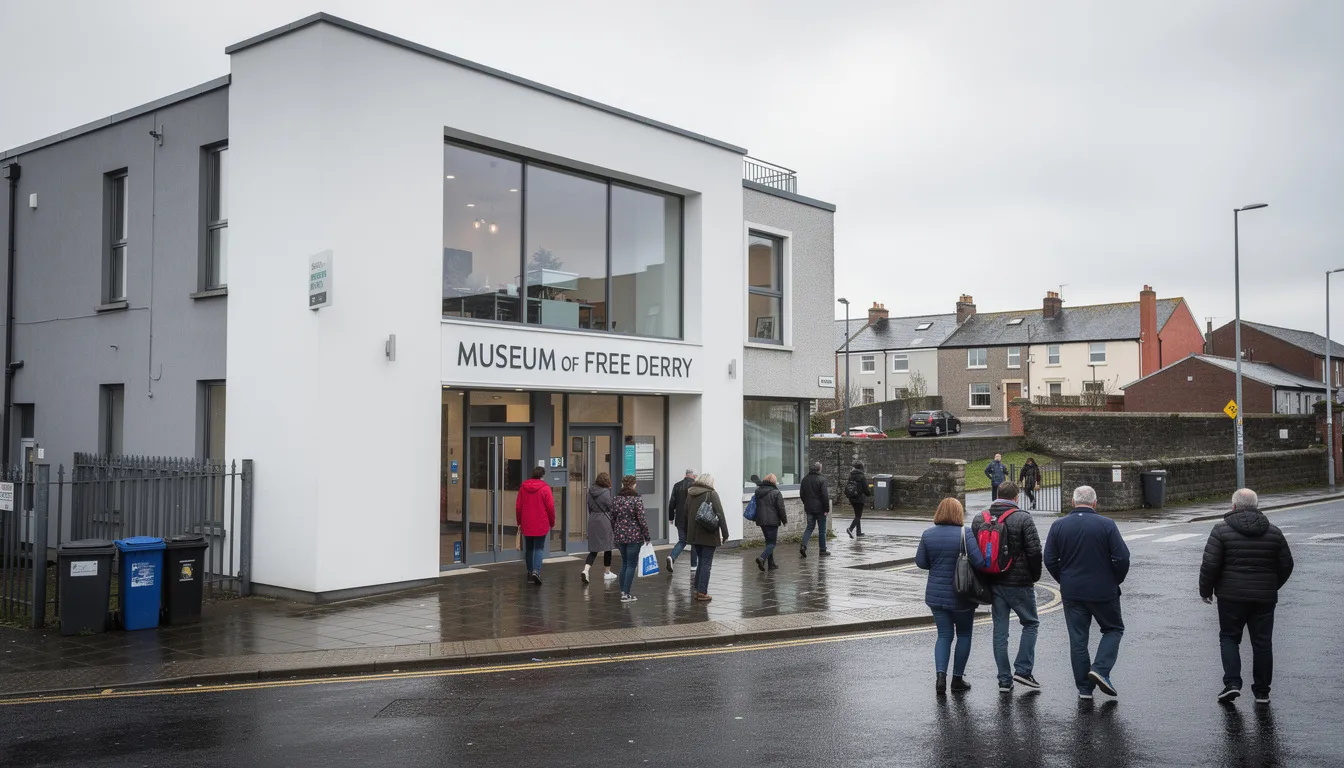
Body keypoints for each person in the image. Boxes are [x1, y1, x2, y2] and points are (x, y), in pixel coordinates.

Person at [1199, 488, 1294, 705]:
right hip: (1264, 598)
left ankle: (1232, 683)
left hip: (1230, 597)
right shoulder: (1274, 532)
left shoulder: (1221, 531)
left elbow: (1210, 565)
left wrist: (1206, 591)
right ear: (1256, 506)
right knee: (1262, 643)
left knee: (1229, 637)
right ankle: (1262, 692)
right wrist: (1271, 586)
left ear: (1233, 506)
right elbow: (1287, 565)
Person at [1044, 485, 1130, 700]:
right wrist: (1115, 579)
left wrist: (1063, 579)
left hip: (1072, 591)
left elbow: (1049, 560)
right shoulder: (1106, 525)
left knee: (1078, 640)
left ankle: (1084, 689)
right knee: (1113, 629)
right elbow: (1122, 558)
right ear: (1095, 503)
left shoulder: (1058, 525)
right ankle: (1100, 669)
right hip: (1103, 589)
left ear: (1073, 502)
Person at [971, 481, 1042, 693]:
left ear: (997, 494)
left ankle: (1004, 680)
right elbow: (1035, 551)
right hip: (1019, 583)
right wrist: (1034, 576)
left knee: (1000, 631)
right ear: (1016, 497)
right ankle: (1023, 670)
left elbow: (974, 552)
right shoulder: (1023, 517)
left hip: (993, 583)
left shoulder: (980, 518)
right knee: (1030, 623)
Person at [915, 497, 984, 694]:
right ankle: (957, 680)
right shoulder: (966, 533)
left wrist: (936, 565)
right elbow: (979, 562)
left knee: (944, 636)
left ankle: (940, 679)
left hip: (936, 596)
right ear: (958, 513)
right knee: (964, 635)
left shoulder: (928, 534)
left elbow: (920, 562)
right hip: (962, 595)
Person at [683, 472, 729, 602]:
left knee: (701, 562)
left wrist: (688, 533)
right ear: (709, 482)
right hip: (708, 534)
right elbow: (720, 514)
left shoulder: (690, 494)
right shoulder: (711, 494)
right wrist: (725, 534)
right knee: (706, 563)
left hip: (694, 535)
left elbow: (686, 514)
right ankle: (702, 592)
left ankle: (698, 590)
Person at [610, 475, 651, 603]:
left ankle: (623, 591)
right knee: (631, 564)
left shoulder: (616, 499)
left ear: (623, 485)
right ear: (633, 485)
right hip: (634, 536)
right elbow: (642, 520)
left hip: (620, 536)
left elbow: (612, 518)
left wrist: (616, 531)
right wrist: (647, 536)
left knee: (625, 563)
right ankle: (626, 594)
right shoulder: (636, 500)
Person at [516, 466, 556, 585]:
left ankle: (529, 573)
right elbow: (550, 507)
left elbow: (518, 506)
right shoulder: (545, 488)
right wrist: (552, 522)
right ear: (542, 476)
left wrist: (519, 522)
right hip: (541, 523)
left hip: (527, 522)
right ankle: (536, 572)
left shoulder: (523, 487)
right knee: (539, 548)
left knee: (529, 548)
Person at [582, 472, 616, 585]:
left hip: (593, 520)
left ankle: (585, 570)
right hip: (604, 521)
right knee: (608, 547)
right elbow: (610, 507)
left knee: (594, 549)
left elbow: (589, 507)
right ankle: (607, 572)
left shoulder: (590, 491)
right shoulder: (606, 492)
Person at [752, 473, 788, 572]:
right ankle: (762, 558)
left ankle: (771, 564)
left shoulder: (758, 491)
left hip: (762, 520)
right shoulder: (776, 492)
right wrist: (784, 520)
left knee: (768, 542)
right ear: (774, 482)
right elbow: (781, 508)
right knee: (772, 544)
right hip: (772, 521)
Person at [666, 469, 699, 574]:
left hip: (680, 518)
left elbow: (672, 503)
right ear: (693, 476)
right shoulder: (696, 486)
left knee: (682, 541)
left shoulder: (677, 485)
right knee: (694, 541)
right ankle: (694, 566)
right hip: (692, 519)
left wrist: (671, 517)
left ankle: (672, 557)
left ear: (685, 474)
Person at [799, 461, 831, 557]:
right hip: (820, 509)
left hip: (809, 508)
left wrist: (806, 503)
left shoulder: (805, 479)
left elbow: (802, 494)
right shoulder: (822, 479)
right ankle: (822, 550)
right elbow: (824, 496)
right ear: (819, 469)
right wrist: (826, 509)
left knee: (809, 527)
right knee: (822, 530)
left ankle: (803, 546)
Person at [844, 462, 871, 537]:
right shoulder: (861, 476)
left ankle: (858, 532)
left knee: (857, 515)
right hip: (859, 499)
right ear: (861, 468)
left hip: (852, 498)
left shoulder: (851, 476)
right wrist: (869, 493)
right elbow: (866, 489)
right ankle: (850, 529)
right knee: (858, 516)